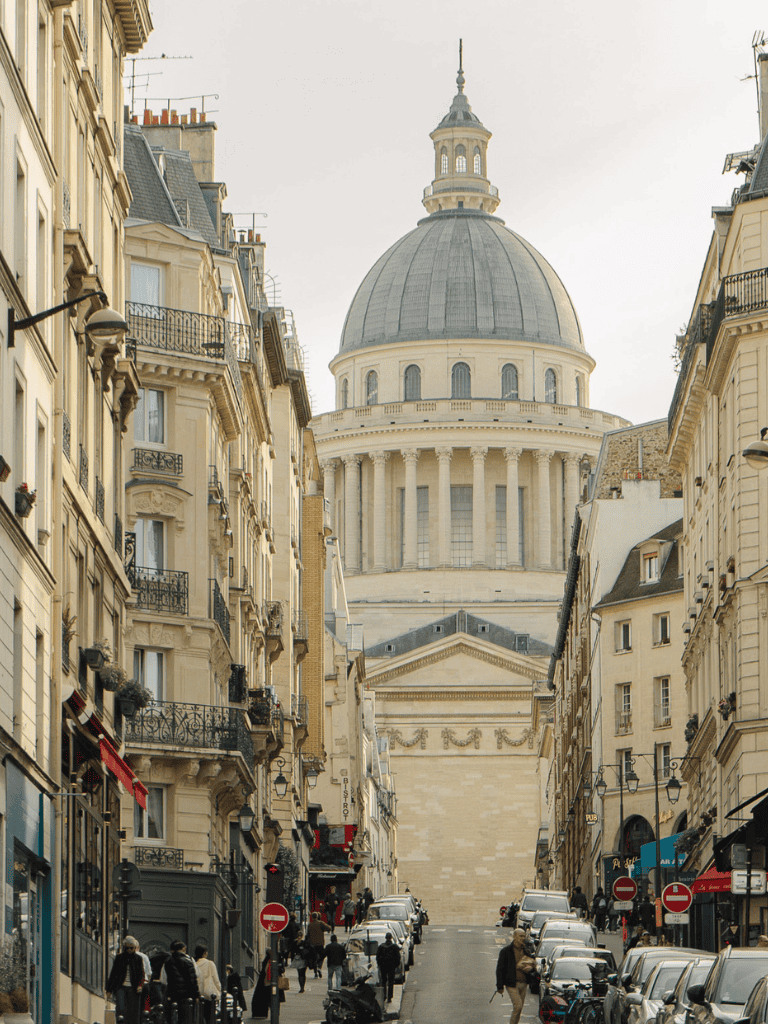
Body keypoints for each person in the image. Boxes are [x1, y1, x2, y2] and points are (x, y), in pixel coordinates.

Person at [105, 935, 146, 1024]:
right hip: (121, 986)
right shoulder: (120, 958)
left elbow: (141, 974)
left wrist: (140, 985)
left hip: (133, 987)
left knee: (132, 1009)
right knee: (121, 1008)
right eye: (127, 948)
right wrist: (109, 990)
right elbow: (114, 974)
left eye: (131, 948)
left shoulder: (138, 959)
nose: (129, 950)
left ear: (135, 948)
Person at [495, 928, 530, 1024]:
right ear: (514, 937)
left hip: (524, 983)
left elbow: (531, 964)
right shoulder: (506, 951)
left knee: (519, 1009)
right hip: (512, 984)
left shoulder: (526, 950)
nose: (522, 938)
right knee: (517, 1006)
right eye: (520, 936)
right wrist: (499, 986)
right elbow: (500, 969)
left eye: (524, 936)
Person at [161, 941, 200, 1024]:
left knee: (173, 1016)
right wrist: (196, 995)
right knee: (186, 1017)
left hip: (173, 993)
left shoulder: (168, 962)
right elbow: (193, 979)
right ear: (183, 949)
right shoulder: (189, 961)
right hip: (187, 994)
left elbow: (164, 980)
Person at [194, 945, 222, 1024]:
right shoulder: (210, 963)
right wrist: (220, 990)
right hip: (210, 994)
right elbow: (216, 979)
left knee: (200, 1016)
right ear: (204, 953)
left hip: (199, 994)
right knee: (210, 1016)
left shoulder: (195, 964)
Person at [376, 932, 401, 1004]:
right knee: (390, 982)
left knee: (383, 981)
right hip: (391, 967)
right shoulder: (394, 947)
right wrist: (395, 965)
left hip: (383, 967)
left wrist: (380, 965)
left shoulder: (381, 947)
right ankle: (389, 997)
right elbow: (398, 958)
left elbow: (377, 957)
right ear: (391, 938)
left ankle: (384, 996)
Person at [307, 911, 331, 977]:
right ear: (317, 917)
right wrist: (323, 930)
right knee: (321, 957)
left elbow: (307, 935)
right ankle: (319, 967)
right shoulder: (321, 923)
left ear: (312, 917)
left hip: (312, 945)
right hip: (320, 944)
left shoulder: (309, 925)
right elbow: (329, 928)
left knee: (313, 958)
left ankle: (315, 972)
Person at [251, 953, 271, 1019]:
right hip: (267, 982)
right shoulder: (270, 961)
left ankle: (260, 1013)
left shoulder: (267, 960)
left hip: (264, 982)